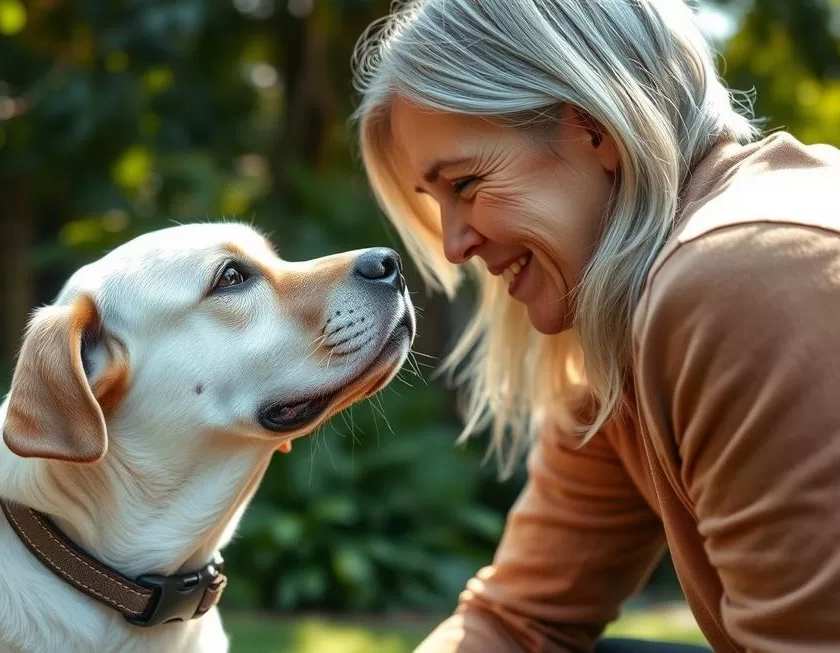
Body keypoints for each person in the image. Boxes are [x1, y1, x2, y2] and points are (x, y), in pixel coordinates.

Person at [350, 1, 840, 652]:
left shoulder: (741, 275)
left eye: (466, 184)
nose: (453, 244)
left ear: (593, 127)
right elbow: (519, 619)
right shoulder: (624, 329)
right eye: (435, 203)